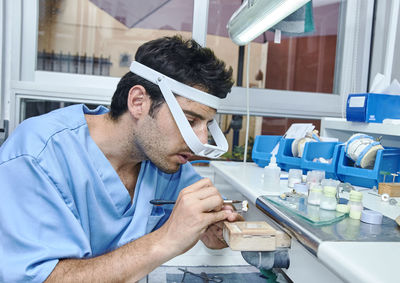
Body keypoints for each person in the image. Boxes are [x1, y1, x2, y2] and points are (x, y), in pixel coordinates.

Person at [0, 35, 242, 282]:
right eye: (190, 121)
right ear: (139, 102)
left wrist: (214, 229)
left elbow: (202, 216)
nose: (201, 141)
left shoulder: (165, 163)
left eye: (207, 125)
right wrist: (165, 239)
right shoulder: (36, 156)